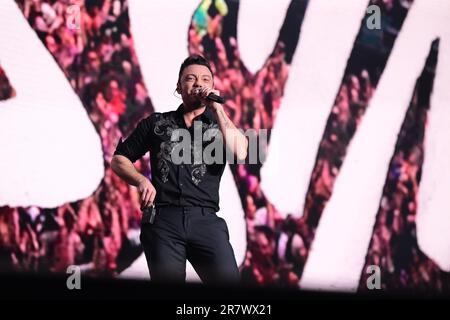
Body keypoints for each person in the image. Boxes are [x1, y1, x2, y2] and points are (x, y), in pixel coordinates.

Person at [111, 54, 248, 284]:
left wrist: (218, 110)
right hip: (164, 220)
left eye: (205, 79)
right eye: (191, 78)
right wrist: (141, 180)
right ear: (178, 85)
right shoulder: (156, 123)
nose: (198, 84)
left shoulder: (220, 127)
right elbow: (119, 159)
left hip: (205, 219)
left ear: (213, 86)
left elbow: (241, 152)